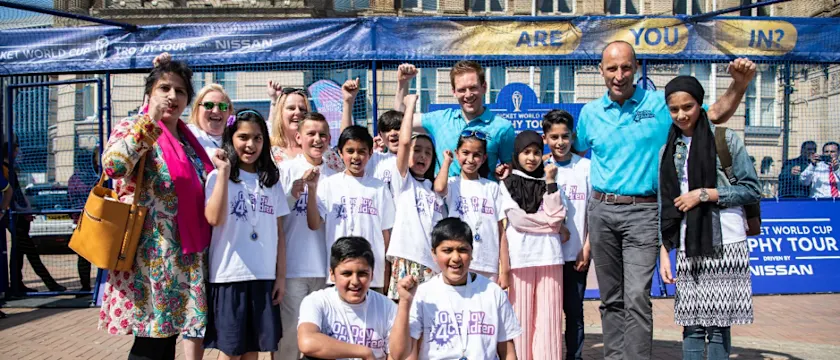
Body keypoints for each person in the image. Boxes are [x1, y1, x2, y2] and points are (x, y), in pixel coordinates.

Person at [574, 40, 755, 360]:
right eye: (612, 68)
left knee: (636, 298)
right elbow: (569, 155)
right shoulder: (589, 113)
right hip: (600, 211)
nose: (619, 75)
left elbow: (712, 114)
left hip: (644, 212)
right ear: (601, 70)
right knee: (610, 298)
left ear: (637, 69)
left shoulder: (660, 105)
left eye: (626, 67)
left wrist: (738, 86)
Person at [98, 59, 215, 360]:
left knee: (167, 341)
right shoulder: (134, 127)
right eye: (164, 88)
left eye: (180, 90)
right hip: (151, 258)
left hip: (186, 257)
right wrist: (147, 120)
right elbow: (114, 166)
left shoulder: (189, 141)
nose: (172, 96)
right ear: (149, 93)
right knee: (152, 342)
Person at [658, 75, 758, 360]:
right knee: (691, 324)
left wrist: (704, 194)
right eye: (674, 109)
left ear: (700, 105)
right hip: (690, 244)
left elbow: (751, 190)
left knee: (717, 327)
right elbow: (665, 205)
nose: (681, 115)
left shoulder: (725, 139)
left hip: (726, 240)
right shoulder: (668, 150)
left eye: (687, 107)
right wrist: (665, 252)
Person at [203, 109, 289, 359]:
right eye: (243, 137)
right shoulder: (218, 177)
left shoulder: (271, 181)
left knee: (254, 350)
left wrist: (280, 277)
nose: (250, 145)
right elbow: (213, 218)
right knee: (232, 350)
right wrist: (222, 173)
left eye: (258, 138)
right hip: (229, 275)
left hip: (263, 275)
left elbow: (279, 233)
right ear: (231, 138)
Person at [389, 218, 521, 360]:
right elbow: (398, 355)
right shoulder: (423, 294)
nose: (456, 258)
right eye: (447, 250)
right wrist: (404, 301)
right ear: (434, 253)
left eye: (463, 250)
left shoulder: (493, 292)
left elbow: (507, 352)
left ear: (471, 253)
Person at [275, 112, 339, 360]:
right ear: (298, 137)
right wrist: (293, 194)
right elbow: (275, 217)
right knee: (290, 339)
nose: (317, 139)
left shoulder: (336, 175)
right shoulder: (285, 170)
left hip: (325, 271)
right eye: (311, 134)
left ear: (329, 138)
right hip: (293, 269)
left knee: (320, 340)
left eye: (322, 134)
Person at [500, 130, 569, 360]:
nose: (531, 158)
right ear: (517, 154)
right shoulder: (507, 183)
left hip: (550, 257)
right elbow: (518, 220)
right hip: (520, 258)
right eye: (526, 152)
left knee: (549, 319)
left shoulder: (551, 182)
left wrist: (550, 182)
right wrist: (551, 225)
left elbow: (557, 216)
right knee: (520, 318)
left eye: (537, 152)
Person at [306, 125, 395, 293]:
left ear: (370, 153)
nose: (356, 156)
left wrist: (385, 276)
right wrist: (311, 189)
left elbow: (385, 235)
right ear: (340, 153)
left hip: (371, 276)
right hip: (340, 273)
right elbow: (313, 223)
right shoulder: (329, 185)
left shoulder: (379, 187)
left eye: (362, 151)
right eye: (350, 151)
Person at [395, 62, 515, 181]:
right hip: (444, 197)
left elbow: (508, 166)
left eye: (473, 88)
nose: (468, 95)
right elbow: (400, 120)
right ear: (454, 92)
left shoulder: (503, 128)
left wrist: (505, 169)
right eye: (462, 90)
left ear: (484, 87)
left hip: (484, 197)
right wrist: (402, 83)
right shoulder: (441, 119)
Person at [384, 94, 445, 300]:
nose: (422, 156)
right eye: (417, 150)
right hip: (407, 259)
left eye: (428, 153)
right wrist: (409, 106)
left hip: (432, 265)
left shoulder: (434, 190)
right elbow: (403, 142)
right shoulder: (403, 181)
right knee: (403, 317)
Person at [297, 237, 397, 360]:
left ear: (372, 275)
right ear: (332, 274)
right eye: (347, 274)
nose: (355, 281)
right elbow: (307, 342)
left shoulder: (388, 307)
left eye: (362, 274)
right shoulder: (317, 301)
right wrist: (363, 352)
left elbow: (396, 354)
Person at [542, 109, 591, 360]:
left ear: (572, 136)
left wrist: (587, 247)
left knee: (574, 312)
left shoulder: (586, 167)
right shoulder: (539, 168)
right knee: (548, 313)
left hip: (576, 255)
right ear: (545, 138)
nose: (560, 142)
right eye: (554, 137)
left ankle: (575, 356)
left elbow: (593, 211)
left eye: (564, 136)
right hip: (546, 257)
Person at [434, 131, 510, 288]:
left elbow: (501, 230)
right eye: (465, 153)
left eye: (476, 155)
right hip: (458, 261)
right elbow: (439, 188)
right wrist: (447, 162)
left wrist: (505, 270)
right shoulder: (453, 183)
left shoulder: (492, 187)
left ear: (484, 158)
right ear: (457, 154)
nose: (470, 159)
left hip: (487, 263)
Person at [2, 141, 65, 293]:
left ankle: (17, 284)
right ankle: (49, 284)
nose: (18, 154)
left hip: (17, 214)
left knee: (19, 251)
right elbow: (12, 193)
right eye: (16, 150)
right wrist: (22, 210)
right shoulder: (5, 169)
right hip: (15, 215)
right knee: (29, 251)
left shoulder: (9, 169)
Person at [341, 77, 402, 196]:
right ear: (380, 135)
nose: (393, 133)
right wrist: (348, 102)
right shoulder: (375, 158)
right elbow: (347, 138)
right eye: (387, 130)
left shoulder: (414, 158)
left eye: (398, 128)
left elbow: (402, 115)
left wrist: (402, 83)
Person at [267, 82, 344, 172]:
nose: (297, 112)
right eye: (291, 108)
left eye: (302, 109)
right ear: (280, 113)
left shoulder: (324, 152)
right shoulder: (270, 153)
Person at [67, 148, 101, 292]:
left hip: (83, 219)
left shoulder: (74, 179)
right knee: (93, 255)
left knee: (84, 256)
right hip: (94, 218)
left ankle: (85, 286)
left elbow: (69, 199)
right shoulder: (97, 178)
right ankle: (94, 286)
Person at [188, 83, 234, 159]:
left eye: (222, 106)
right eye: (208, 105)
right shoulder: (186, 134)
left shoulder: (237, 139)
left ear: (229, 112)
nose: (216, 111)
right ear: (197, 109)